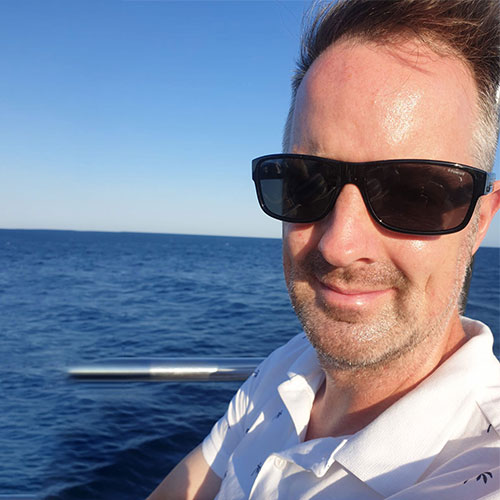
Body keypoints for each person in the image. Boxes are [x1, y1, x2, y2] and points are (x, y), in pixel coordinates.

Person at [149, 0, 500, 498]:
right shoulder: (291, 367)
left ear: (480, 221)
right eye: (306, 183)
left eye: (415, 194)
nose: (339, 246)